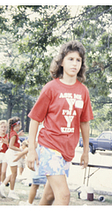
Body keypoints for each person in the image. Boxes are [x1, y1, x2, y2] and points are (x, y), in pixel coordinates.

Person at [27, 40, 94, 205]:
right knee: (63, 196)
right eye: (70, 59)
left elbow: (84, 123)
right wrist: (31, 150)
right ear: (62, 62)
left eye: (78, 60)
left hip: (67, 151)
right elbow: (35, 119)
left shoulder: (83, 91)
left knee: (49, 196)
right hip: (49, 147)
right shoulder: (51, 88)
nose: (74, 63)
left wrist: (85, 151)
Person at [0, 117, 23, 200]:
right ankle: (11, 192)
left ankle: (2, 186)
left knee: (13, 173)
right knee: (14, 174)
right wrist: (21, 150)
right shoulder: (14, 134)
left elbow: (9, 144)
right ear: (17, 125)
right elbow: (11, 146)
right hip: (12, 154)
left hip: (10, 154)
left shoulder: (11, 133)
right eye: (19, 125)